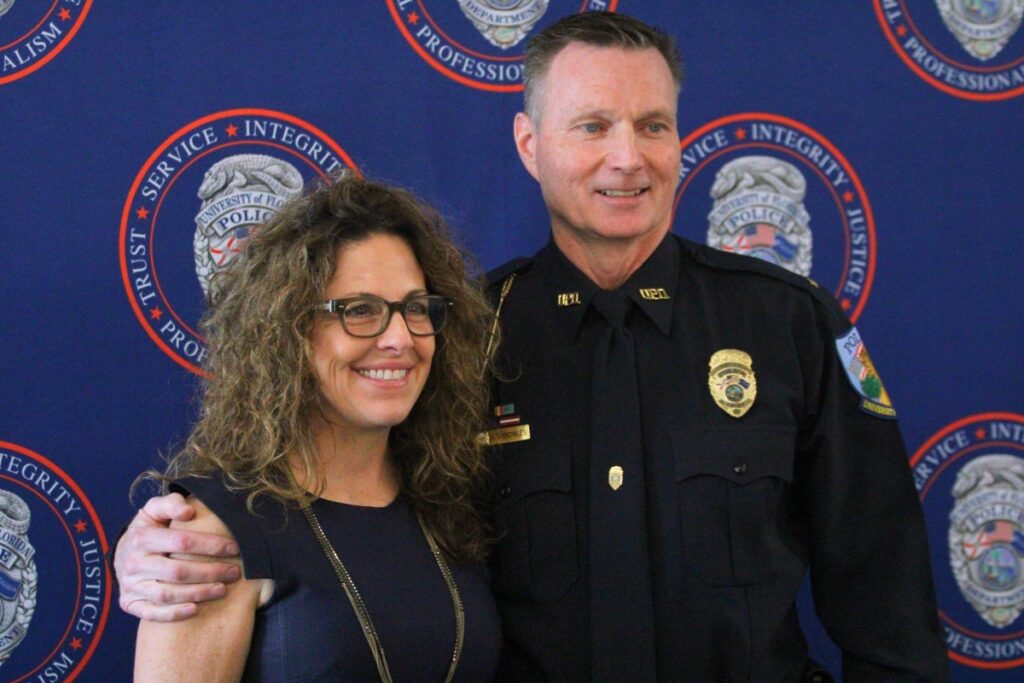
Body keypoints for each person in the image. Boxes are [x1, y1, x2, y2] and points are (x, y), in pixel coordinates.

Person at [116, 12, 949, 682]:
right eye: (592, 125)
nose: (628, 157)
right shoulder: (456, 338)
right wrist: (165, 544)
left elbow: (890, 613)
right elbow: (339, 503)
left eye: (652, 125)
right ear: (529, 145)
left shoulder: (791, 325)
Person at [130, 174, 502, 681]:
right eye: (360, 311)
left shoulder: (446, 498)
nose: (399, 338)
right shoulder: (215, 528)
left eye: (416, 308)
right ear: (289, 332)